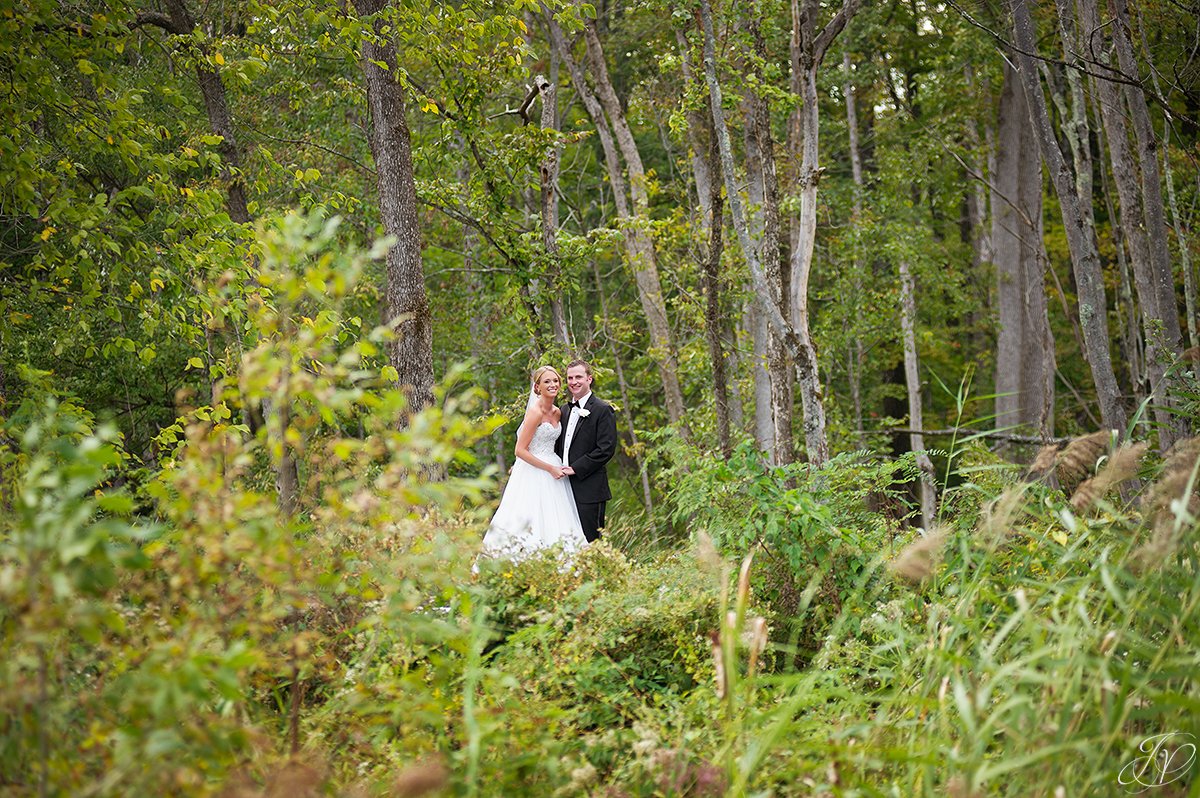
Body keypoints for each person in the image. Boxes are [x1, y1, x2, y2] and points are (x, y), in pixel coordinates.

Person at [479, 365, 588, 561]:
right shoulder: (535, 412)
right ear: (537, 387)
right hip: (536, 470)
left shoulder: (557, 412)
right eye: (547, 381)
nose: (552, 384)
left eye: (555, 381)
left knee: (557, 517)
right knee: (529, 515)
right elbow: (520, 450)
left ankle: (559, 561)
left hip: (555, 469)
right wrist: (550, 468)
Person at [556, 359, 617, 542]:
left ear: (589, 379)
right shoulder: (563, 410)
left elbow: (606, 449)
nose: (573, 382)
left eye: (578, 377)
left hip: (589, 488)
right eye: (569, 378)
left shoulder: (603, 409)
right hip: (561, 486)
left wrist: (576, 468)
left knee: (591, 541)